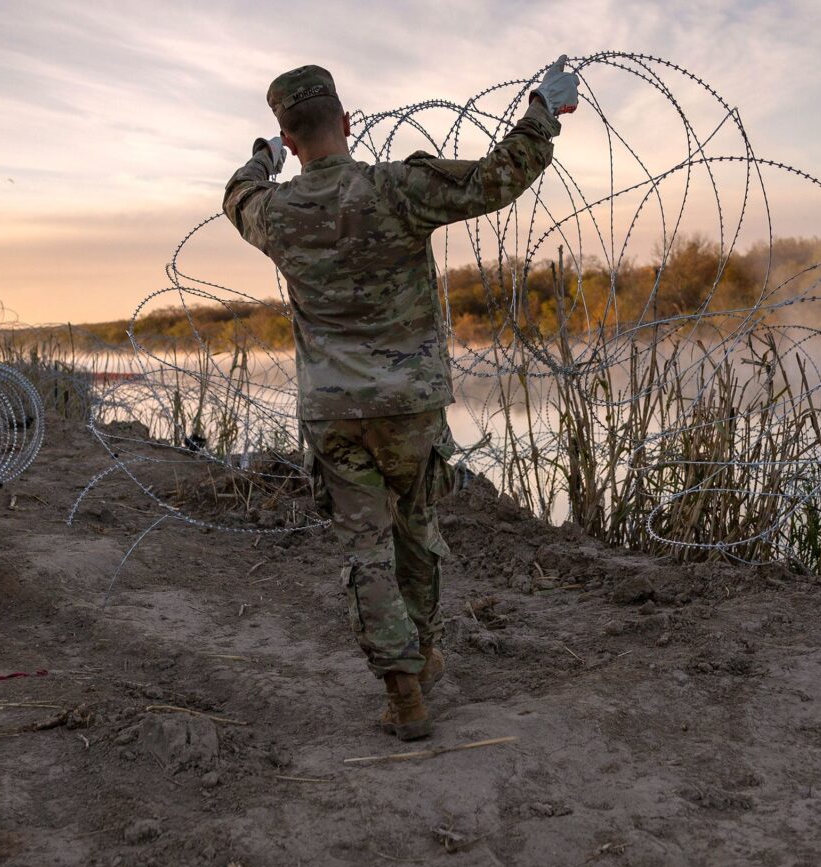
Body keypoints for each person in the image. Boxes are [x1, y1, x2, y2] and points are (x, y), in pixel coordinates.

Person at [223, 58, 579, 740]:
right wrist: (541, 111)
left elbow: (237, 193)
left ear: (290, 140)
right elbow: (498, 176)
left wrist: (260, 159)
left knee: (365, 550)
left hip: (333, 415)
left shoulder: (275, 213)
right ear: (348, 124)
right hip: (409, 407)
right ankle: (421, 652)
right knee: (415, 532)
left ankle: (404, 690)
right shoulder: (397, 190)